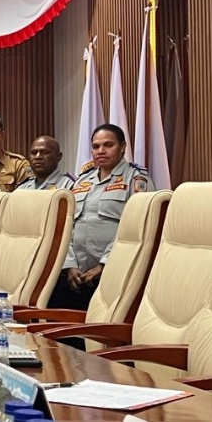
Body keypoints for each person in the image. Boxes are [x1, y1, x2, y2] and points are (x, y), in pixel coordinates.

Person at [49, 124, 153, 310]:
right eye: (96, 146)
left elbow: (138, 230)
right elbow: (67, 225)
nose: (101, 151)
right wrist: (69, 265)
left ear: (122, 147)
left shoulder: (136, 180)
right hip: (76, 276)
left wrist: (104, 265)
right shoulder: (82, 181)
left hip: (115, 273)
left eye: (108, 145)